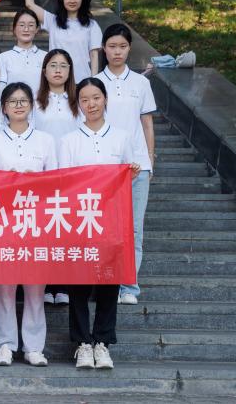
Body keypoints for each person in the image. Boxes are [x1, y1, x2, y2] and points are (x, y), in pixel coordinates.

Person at [59, 77, 141, 370]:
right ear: (77, 104)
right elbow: (64, 181)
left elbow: (127, 176)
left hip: (112, 220)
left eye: (95, 98)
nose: (90, 104)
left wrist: (131, 173)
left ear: (105, 99)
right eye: (84, 100)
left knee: (109, 281)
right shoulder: (69, 141)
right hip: (80, 220)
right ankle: (82, 343)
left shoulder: (121, 137)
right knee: (78, 284)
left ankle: (103, 342)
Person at [0, 82, 57, 368]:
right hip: (4, 220)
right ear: (3, 108)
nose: (18, 105)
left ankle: (34, 347)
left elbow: (56, 182)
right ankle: (5, 344)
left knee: (35, 288)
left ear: (31, 105)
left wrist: (35, 180)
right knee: (4, 287)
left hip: (36, 220)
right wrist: (7, 179)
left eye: (23, 101)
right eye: (12, 101)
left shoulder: (46, 140)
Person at [94, 23, 155, 306]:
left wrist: (150, 160)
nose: (117, 52)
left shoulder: (141, 83)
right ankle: (104, 283)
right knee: (104, 230)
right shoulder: (94, 83)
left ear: (129, 48)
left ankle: (129, 286)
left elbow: (147, 122)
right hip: (104, 168)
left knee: (133, 230)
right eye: (112, 46)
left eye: (122, 46)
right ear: (103, 49)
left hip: (136, 165)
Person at [32, 48, 81, 307]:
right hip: (43, 174)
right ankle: (45, 283)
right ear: (44, 71)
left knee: (66, 230)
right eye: (53, 65)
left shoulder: (79, 100)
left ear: (70, 71)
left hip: (72, 173)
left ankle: (63, 285)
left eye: (63, 65)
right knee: (45, 230)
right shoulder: (34, 101)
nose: (58, 70)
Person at [24, 0, 101, 82]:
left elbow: (94, 55)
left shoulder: (91, 25)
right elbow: (30, 4)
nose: (72, 0)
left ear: (83, 0)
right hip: (56, 80)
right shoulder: (52, 21)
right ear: (62, 0)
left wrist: (94, 81)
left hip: (81, 80)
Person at [0, 8, 47, 94]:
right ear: (14, 29)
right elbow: (0, 90)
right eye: (22, 25)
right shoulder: (2, 58)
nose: (26, 29)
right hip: (12, 102)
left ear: (37, 29)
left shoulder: (46, 57)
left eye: (31, 25)